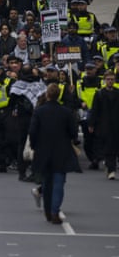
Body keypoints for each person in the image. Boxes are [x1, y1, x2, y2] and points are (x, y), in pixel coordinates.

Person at [29, 82, 81, 224]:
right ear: (58, 96)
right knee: (59, 182)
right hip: (61, 150)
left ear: (47, 94)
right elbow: (73, 132)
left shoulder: (39, 111)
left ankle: (47, 211)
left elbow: (33, 131)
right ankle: (54, 211)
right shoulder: (66, 112)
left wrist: (34, 146)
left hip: (43, 149)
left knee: (47, 181)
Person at [88, 70, 119, 180]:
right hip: (104, 125)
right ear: (104, 80)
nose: (110, 81)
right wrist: (91, 124)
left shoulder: (117, 92)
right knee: (108, 148)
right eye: (108, 79)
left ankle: (110, 166)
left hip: (116, 124)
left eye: (112, 79)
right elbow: (95, 110)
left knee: (115, 147)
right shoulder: (99, 93)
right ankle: (111, 170)